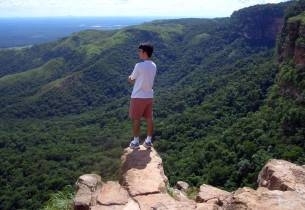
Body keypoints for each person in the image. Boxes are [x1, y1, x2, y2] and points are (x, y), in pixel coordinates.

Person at [128, 42, 157, 149]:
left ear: (145, 52)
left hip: (138, 96)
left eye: (140, 51)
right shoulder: (154, 65)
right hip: (149, 95)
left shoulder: (139, 65)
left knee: (136, 119)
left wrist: (129, 78)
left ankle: (136, 142)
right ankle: (148, 141)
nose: (138, 53)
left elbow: (132, 79)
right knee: (149, 118)